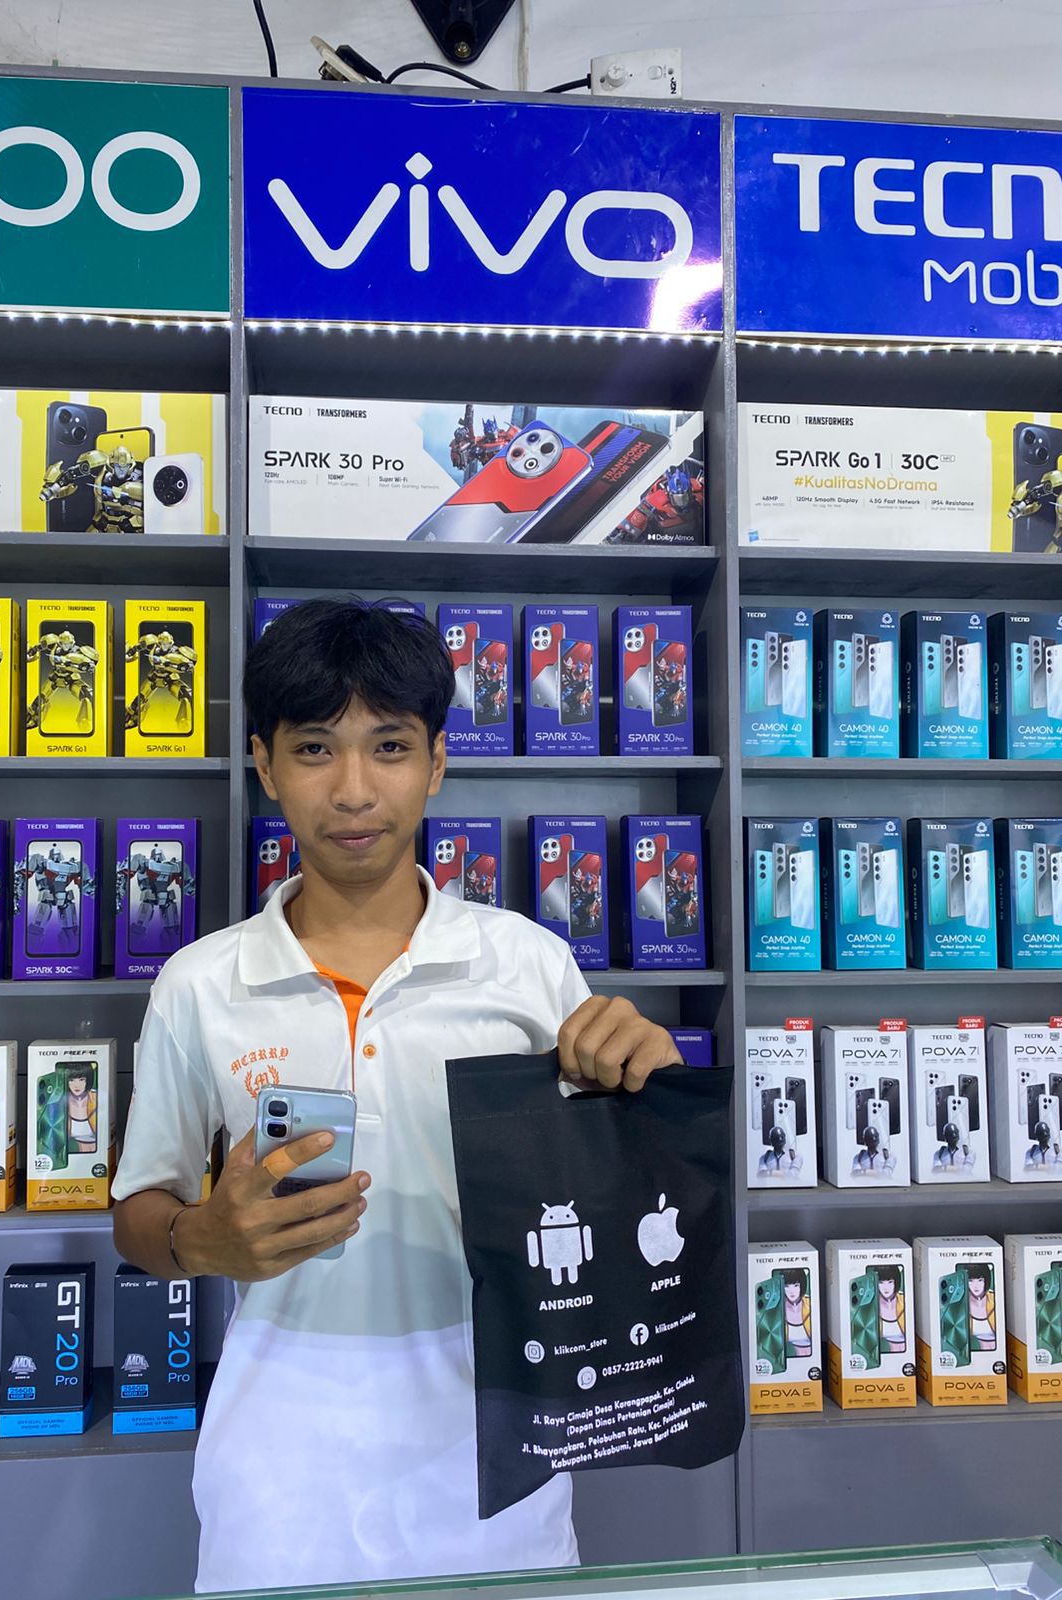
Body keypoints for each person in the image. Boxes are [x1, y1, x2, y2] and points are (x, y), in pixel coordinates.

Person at [112, 598, 684, 1595]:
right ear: (264, 765)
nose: (353, 790)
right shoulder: (202, 984)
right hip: (278, 1487)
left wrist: (651, 1085)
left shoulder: (526, 964)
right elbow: (137, 1214)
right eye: (314, 748)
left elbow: (623, 1201)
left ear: (436, 762)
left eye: (389, 746)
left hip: (498, 1473)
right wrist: (200, 1240)